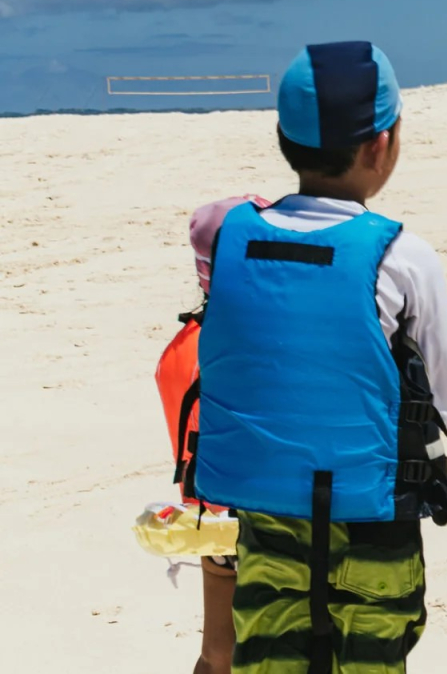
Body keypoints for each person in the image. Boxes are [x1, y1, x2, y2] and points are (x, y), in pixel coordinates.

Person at [192, 41, 447, 673]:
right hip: (373, 513)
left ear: (284, 139)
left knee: (270, 656)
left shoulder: (230, 238)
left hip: (264, 511)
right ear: (381, 146)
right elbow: (442, 405)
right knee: (371, 653)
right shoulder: (403, 255)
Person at [155, 193, 268, 674]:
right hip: (273, 520)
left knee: (218, 654)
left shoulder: (183, 344)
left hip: (213, 522)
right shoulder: (268, 340)